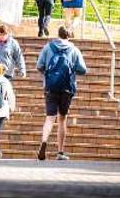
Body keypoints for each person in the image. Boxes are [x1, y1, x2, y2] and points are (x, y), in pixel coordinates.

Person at [36, 26, 87, 161]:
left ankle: (44, 142)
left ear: (58, 35)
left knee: (49, 118)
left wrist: (48, 75)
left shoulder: (48, 47)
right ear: (68, 36)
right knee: (62, 118)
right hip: (66, 88)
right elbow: (83, 69)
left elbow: (39, 66)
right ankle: (60, 152)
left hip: (50, 87)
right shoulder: (74, 50)